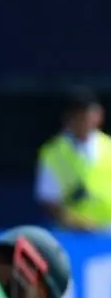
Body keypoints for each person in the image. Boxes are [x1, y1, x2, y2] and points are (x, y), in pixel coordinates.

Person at [35, 91, 111, 232]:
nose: (84, 121)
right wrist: (75, 223)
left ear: (99, 116)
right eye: (78, 116)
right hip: (72, 234)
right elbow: (49, 200)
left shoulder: (109, 146)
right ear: (69, 118)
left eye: (88, 115)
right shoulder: (53, 152)